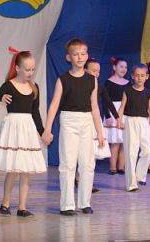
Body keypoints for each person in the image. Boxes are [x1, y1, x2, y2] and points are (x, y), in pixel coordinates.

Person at [42, 39, 106, 215]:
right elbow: (54, 105)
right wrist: (47, 129)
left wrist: (100, 132)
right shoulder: (63, 80)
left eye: (83, 54)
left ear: (87, 56)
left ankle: (85, 202)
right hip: (69, 120)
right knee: (68, 164)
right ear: (68, 57)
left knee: (87, 164)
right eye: (76, 54)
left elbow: (94, 107)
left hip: (86, 121)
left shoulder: (92, 80)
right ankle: (67, 205)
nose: (80, 57)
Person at [0, 49, 47, 217]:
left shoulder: (34, 87)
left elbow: (35, 112)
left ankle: (22, 207)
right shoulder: (8, 85)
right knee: (12, 169)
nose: (30, 72)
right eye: (27, 69)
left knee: (25, 171)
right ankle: (5, 204)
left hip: (27, 129)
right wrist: (0, 98)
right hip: (13, 128)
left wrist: (42, 132)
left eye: (33, 69)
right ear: (18, 68)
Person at [117, 64, 150, 192]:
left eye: (142, 75)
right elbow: (122, 107)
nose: (139, 78)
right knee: (131, 153)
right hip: (130, 121)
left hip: (144, 122)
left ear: (147, 77)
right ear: (132, 76)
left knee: (148, 151)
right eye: (137, 75)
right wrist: (119, 120)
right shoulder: (127, 91)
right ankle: (131, 184)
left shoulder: (149, 92)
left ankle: (140, 175)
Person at [82, 58, 112, 193]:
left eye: (98, 71)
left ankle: (89, 182)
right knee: (82, 152)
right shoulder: (80, 84)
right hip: (82, 119)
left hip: (94, 119)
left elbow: (107, 101)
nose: (96, 73)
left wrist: (115, 116)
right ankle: (78, 178)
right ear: (85, 70)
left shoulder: (99, 85)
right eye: (93, 71)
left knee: (92, 152)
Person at [104, 57, 130, 175]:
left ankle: (121, 167)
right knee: (115, 141)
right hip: (113, 112)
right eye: (121, 66)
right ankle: (112, 167)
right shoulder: (108, 82)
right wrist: (108, 116)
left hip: (124, 113)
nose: (124, 69)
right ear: (114, 67)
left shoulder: (128, 83)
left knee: (124, 141)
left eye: (125, 67)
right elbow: (105, 101)